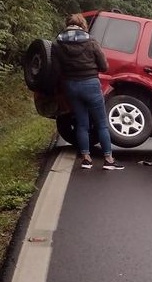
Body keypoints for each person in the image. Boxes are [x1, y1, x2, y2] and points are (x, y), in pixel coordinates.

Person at [52, 14, 125, 170]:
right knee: (101, 124)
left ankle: (86, 159)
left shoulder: (57, 43)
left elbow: (56, 70)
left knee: (82, 123)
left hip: (71, 85)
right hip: (90, 84)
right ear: (82, 25)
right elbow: (104, 66)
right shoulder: (90, 41)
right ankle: (108, 160)